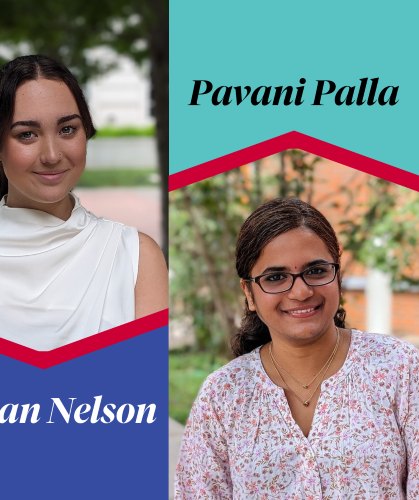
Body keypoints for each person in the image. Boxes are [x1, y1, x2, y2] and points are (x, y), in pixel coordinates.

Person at [0, 55, 168, 351]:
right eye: (27, 134)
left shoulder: (136, 256)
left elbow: (142, 391)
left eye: (67, 129)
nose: (51, 155)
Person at [175, 197, 419, 499]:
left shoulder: (400, 368)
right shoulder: (223, 396)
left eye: (316, 271)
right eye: (276, 278)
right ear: (249, 293)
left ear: (337, 277)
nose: (301, 291)